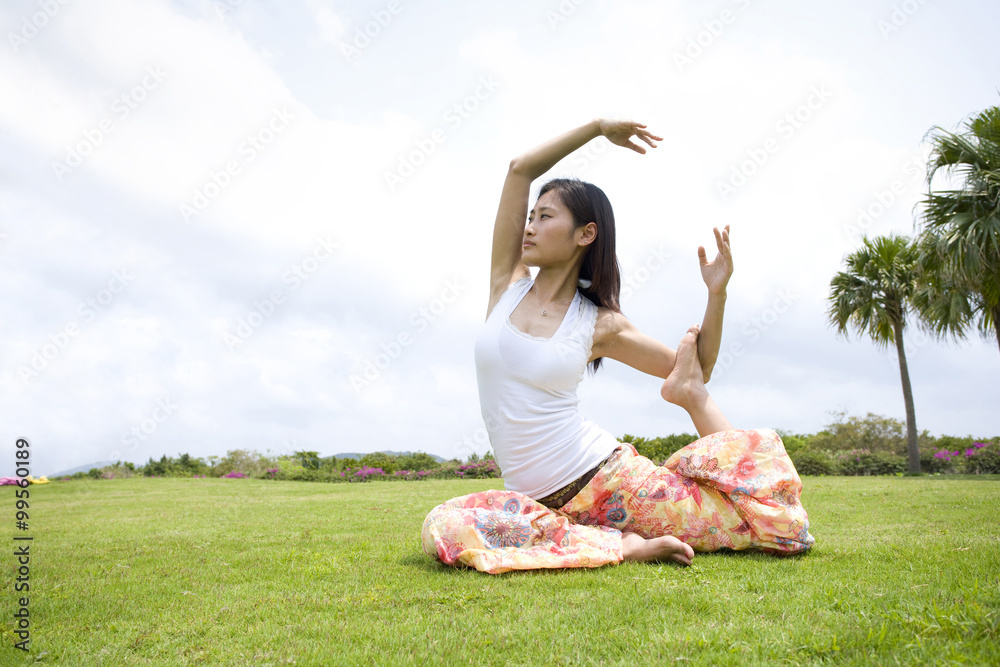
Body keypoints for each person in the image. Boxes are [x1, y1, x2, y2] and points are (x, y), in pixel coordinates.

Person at [421, 119, 814, 574]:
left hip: (615, 485)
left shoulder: (599, 324)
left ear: (585, 235)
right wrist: (596, 129)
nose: (529, 226)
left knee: (778, 529)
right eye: (531, 217)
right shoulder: (505, 285)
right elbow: (518, 170)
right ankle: (620, 546)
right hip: (538, 505)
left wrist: (717, 295)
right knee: (444, 526)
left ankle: (628, 523)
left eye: (545, 217)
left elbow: (694, 365)